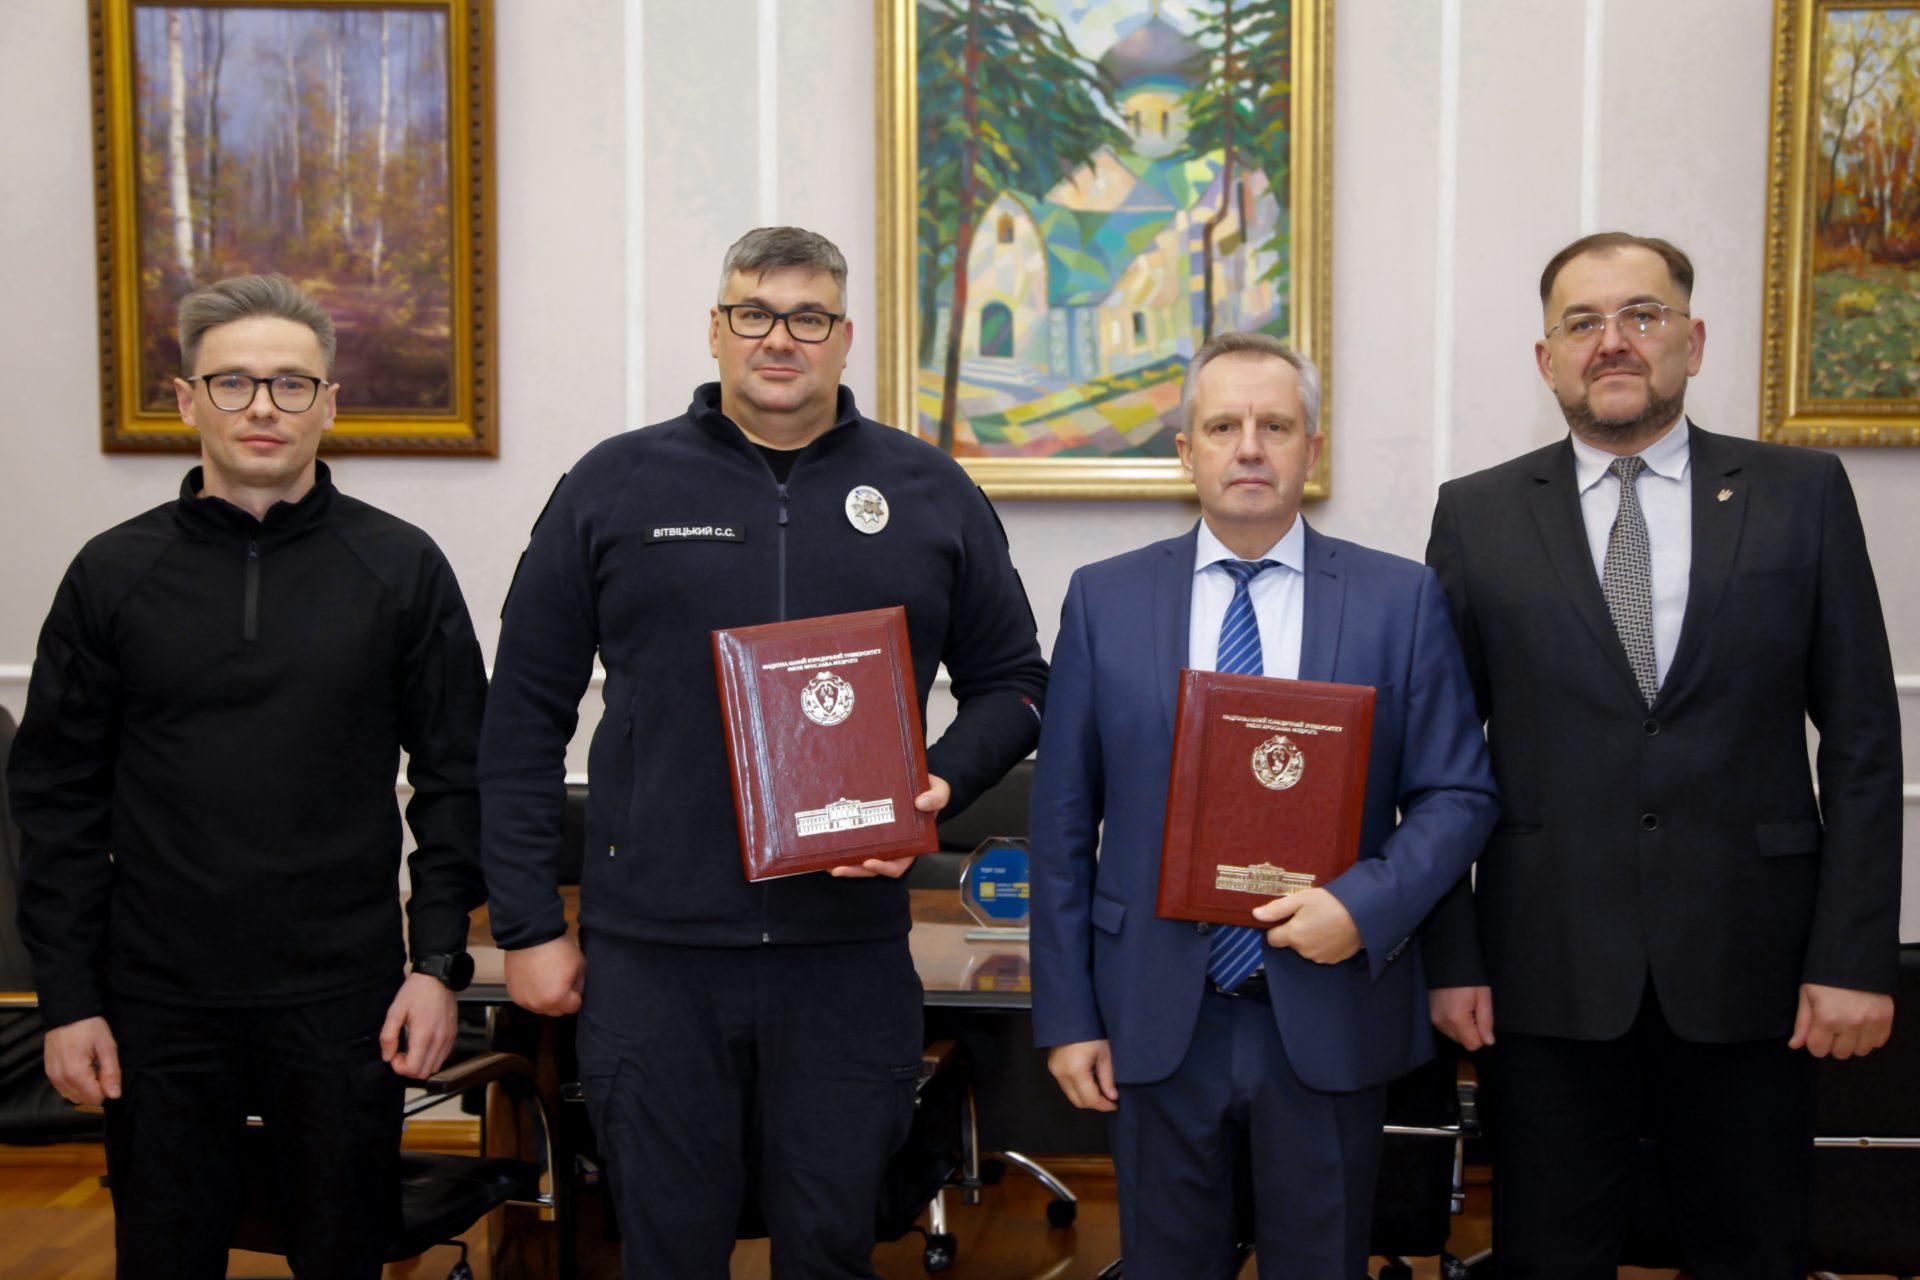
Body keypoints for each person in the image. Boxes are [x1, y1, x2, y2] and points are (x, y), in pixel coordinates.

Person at [479, 225, 1048, 1278]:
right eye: (754, 313)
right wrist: (525, 922)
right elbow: (519, 717)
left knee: (831, 1248)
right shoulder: (614, 484)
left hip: (846, 960)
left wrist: (938, 786)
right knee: (668, 1250)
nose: (779, 338)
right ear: (716, 328)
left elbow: (1018, 684)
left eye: (808, 318)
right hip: (656, 959)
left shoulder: (929, 490)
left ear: (845, 337)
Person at [1423, 231, 1903, 1279]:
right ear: (1547, 357)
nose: (1614, 341)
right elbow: (1437, 762)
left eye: (1642, 314)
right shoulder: (1477, 513)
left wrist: (1853, 956)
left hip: (1756, 969)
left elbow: (1865, 741)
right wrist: (1451, 958)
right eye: (1583, 322)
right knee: (1550, 1258)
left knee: (1753, 1253)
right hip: (1544, 972)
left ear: (1693, 339)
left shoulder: (1802, 492)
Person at [8, 274, 488, 1278]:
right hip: (156, 998)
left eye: (289, 384)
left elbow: (458, 778)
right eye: (233, 382)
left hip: (346, 993)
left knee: (343, 1253)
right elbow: (54, 799)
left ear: (329, 404)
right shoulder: (111, 573)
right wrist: (68, 995)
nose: (262, 406)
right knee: (165, 1256)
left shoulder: (400, 568)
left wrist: (436, 963)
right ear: (187, 401)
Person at [1029, 331, 1498, 1278]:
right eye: (1223, 426)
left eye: (1275, 426)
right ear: (1186, 450)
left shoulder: (1398, 599)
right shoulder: (1104, 599)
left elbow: (1457, 793)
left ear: (1311, 449)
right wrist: (1068, 1014)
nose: (1249, 447)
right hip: (1154, 1010)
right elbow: (1064, 822)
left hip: (1327, 1007)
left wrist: (1359, 907)